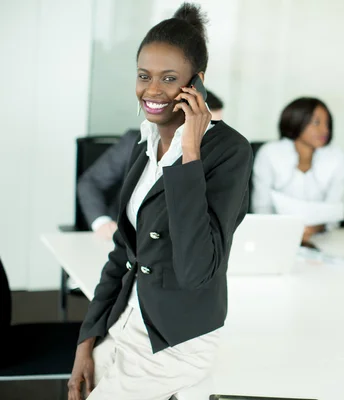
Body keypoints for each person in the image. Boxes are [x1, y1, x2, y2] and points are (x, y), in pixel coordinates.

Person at [67, 4, 253, 400]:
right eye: (144, 76)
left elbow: (196, 270)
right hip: (124, 320)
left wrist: (189, 153)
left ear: (196, 83)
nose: (152, 90)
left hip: (174, 339)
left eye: (169, 78)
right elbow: (123, 252)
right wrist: (88, 340)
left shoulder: (229, 151)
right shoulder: (144, 140)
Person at [78, 90, 225, 240]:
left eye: (216, 127)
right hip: (125, 238)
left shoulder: (219, 155)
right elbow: (91, 182)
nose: (211, 134)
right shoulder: (135, 142)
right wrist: (101, 223)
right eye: (205, 126)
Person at [251, 97, 344, 243]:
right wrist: (287, 231)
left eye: (327, 124)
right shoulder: (269, 153)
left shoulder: (336, 157)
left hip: (320, 238)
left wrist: (312, 230)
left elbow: (333, 211)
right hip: (274, 237)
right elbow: (261, 208)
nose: (324, 130)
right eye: (316, 122)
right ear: (296, 121)